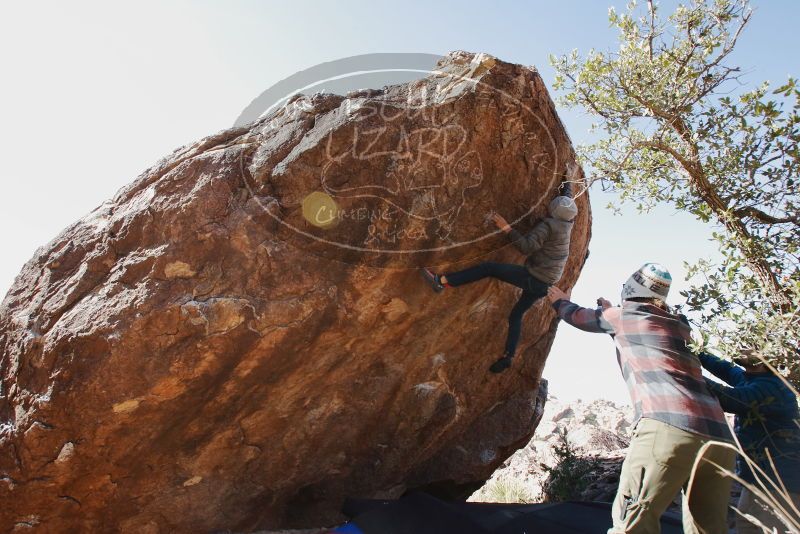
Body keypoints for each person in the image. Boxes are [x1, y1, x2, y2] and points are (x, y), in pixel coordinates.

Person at [547, 263, 736, 534]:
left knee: (633, 521)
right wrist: (612, 313)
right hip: (719, 437)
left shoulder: (623, 317)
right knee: (709, 527)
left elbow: (578, 317)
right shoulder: (680, 326)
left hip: (668, 426)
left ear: (630, 289)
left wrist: (560, 303)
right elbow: (640, 332)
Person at [420, 162, 580, 374]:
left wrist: (506, 228)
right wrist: (568, 178)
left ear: (554, 211)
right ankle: (508, 356)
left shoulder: (549, 225)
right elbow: (566, 199)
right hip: (545, 283)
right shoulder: (568, 222)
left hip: (536, 278)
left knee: (489, 268)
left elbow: (526, 247)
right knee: (515, 316)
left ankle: (441, 282)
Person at [698, 349, 800, 534]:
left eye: (750, 347)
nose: (742, 348)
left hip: (779, 484)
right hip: (759, 480)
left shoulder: (772, 387)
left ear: (763, 360)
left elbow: (732, 399)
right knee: (746, 525)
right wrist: (693, 349)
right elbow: (725, 368)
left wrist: (687, 372)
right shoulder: (752, 378)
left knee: (766, 528)